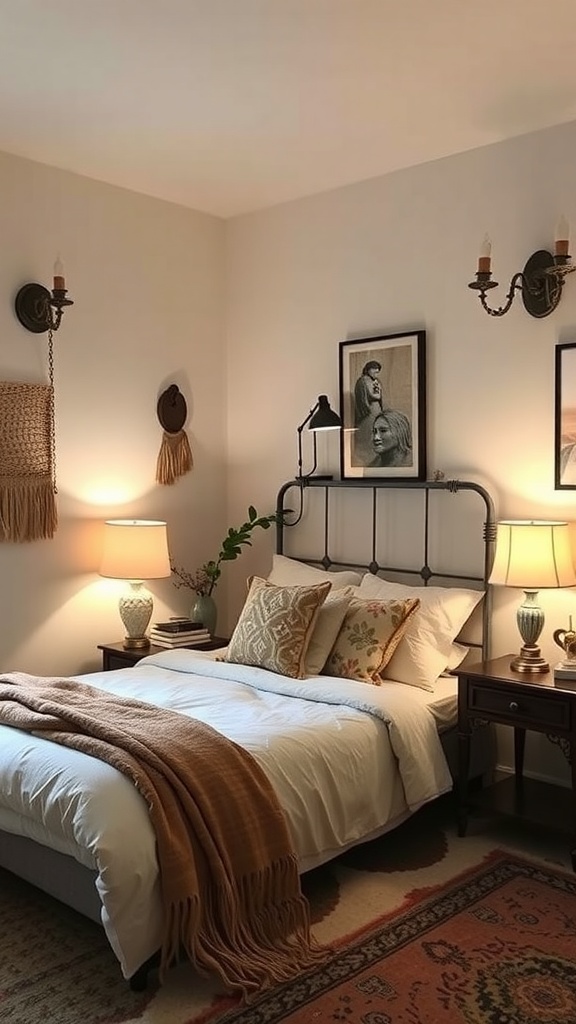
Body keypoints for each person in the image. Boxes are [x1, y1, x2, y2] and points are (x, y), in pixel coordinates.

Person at [354, 361, 385, 426]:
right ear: (369, 370)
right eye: (374, 372)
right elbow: (363, 397)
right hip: (368, 409)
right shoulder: (362, 381)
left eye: (377, 372)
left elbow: (379, 395)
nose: (376, 374)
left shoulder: (377, 381)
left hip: (377, 408)